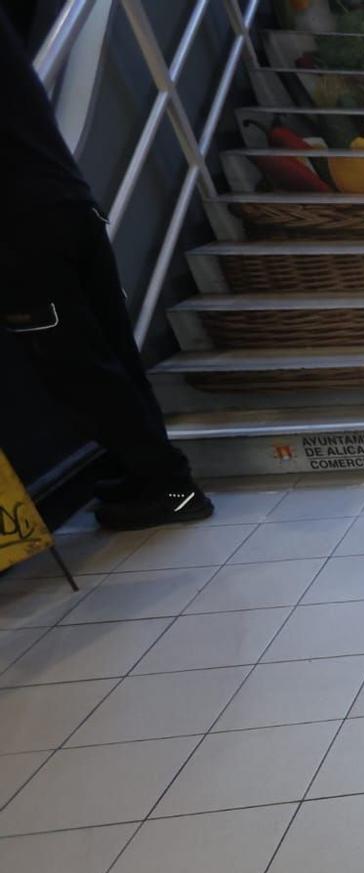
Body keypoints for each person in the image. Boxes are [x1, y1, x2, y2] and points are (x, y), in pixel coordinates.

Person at [0, 10, 210, 530]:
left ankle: (171, 488)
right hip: (66, 201)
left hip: (18, 231)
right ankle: (148, 474)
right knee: (110, 352)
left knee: (78, 369)